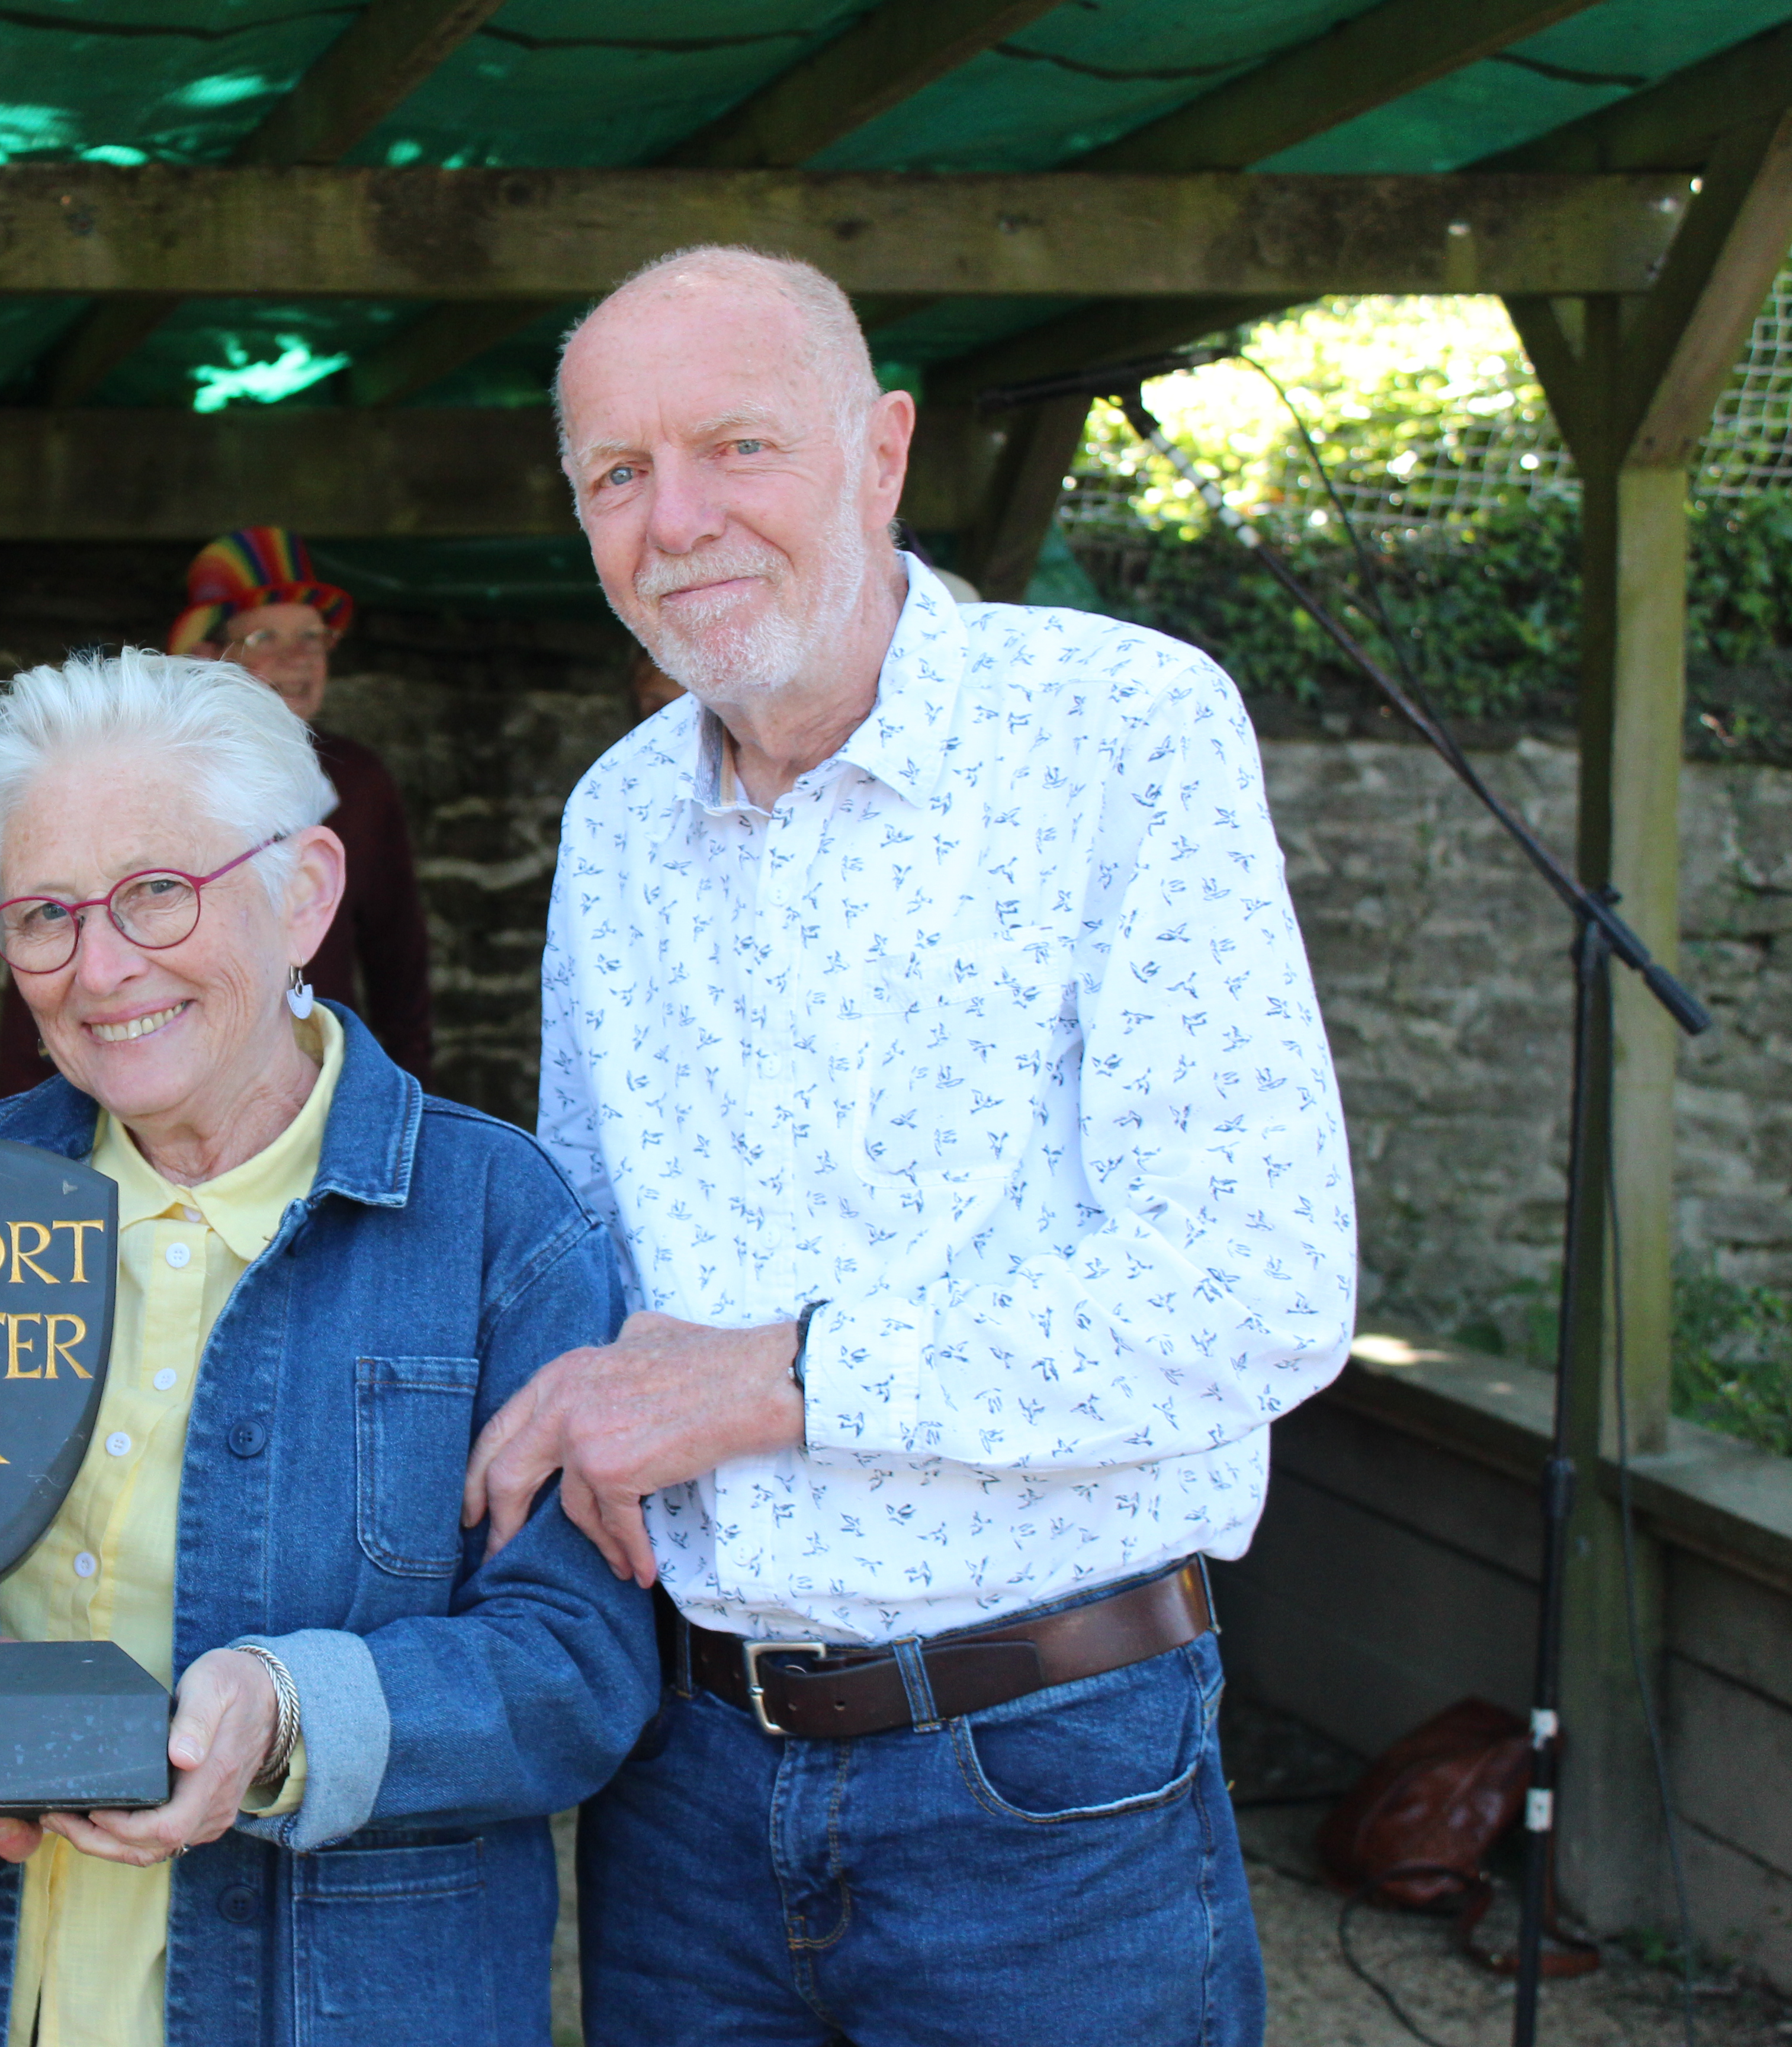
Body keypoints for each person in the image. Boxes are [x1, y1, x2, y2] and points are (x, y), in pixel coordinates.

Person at [470, 245, 1356, 2043]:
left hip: (1047, 1776)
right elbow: (592, 1251)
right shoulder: (615, 820)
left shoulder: (1123, 729)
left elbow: (1258, 1292)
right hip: (686, 1775)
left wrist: (781, 1382)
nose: (680, 518)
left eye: (739, 448)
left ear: (883, 453)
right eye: (618, 476)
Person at [0, 651, 658, 2047]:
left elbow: (575, 1666)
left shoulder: (498, 1228)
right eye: (44, 915)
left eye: (155, 892)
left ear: (303, 893)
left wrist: (288, 1709)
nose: (101, 965)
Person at [0, 530, 434, 1092]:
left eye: (312, 637)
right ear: (206, 656)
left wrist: (411, 1114)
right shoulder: (133, 781)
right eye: (265, 636)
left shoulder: (361, 782)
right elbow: (50, 949)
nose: (297, 658)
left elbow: (400, 974)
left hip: (317, 1096)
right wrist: (18, 1144)